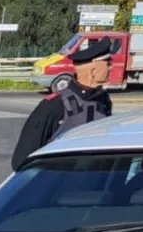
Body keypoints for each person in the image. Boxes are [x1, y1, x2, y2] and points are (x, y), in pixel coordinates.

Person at [11, 38, 114, 171]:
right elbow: (22, 160)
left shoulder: (103, 101)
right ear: (92, 70)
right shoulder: (54, 106)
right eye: (108, 63)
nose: (111, 67)